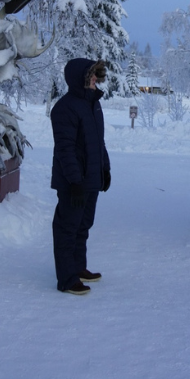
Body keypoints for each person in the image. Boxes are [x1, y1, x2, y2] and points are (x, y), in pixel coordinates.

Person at [50, 57, 111, 296]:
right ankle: (67, 279)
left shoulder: (93, 104)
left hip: (91, 178)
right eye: (91, 75)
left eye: (97, 74)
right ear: (80, 79)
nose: (96, 79)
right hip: (73, 182)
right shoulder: (65, 108)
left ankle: (78, 268)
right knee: (67, 227)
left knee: (83, 225)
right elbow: (64, 149)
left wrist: (104, 169)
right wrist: (74, 181)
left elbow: (98, 142)